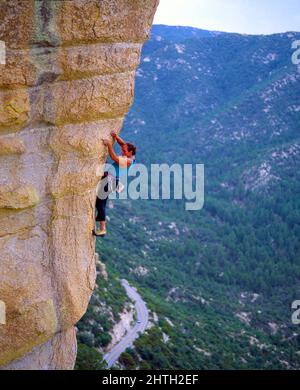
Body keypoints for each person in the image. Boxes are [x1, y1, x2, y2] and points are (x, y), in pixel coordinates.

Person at [94, 131, 137, 237]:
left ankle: (103, 228)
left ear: (130, 152)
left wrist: (109, 144)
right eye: (122, 150)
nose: (122, 151)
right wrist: (116, 137)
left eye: (124, 151)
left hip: (110, 181)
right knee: (99, 202)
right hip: (112, 179)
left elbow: (114, 158)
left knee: (100, 203)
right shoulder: (131, 156)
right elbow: (123, 144)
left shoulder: (128, 161)